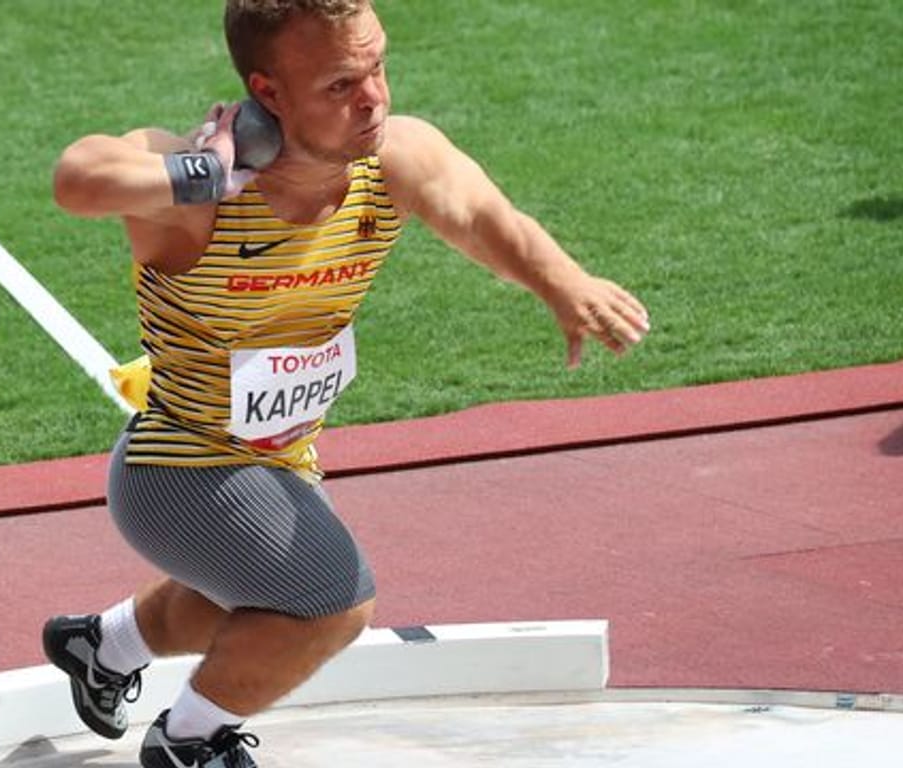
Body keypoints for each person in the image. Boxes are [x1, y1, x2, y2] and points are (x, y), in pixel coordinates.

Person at [42, 1, 651, 766]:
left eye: (378, 68)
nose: (373, 99)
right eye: (339, 85)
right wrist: (207, 172)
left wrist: (563, 283)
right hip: (179, 465)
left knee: (254, 596)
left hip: (279, 457)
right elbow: (77, 178)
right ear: (269, 93)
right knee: (332, 602)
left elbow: (482, 215)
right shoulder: (198, 197)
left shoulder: (394, 158)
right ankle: (188, 742)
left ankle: (101, 648)